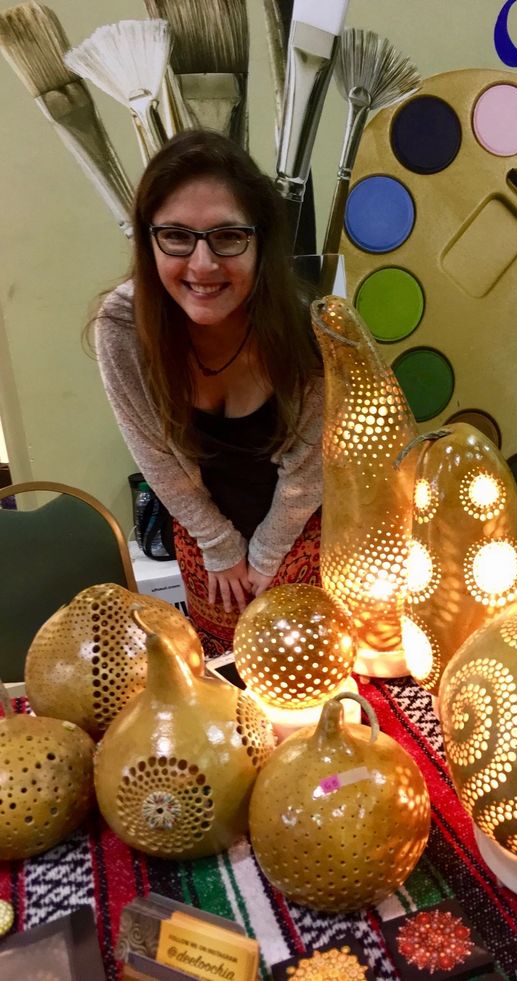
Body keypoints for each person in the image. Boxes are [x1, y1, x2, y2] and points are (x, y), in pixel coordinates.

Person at [94, 130, 323, 656]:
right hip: (203, 529)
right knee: (225, 670)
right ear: (148, 239)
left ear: (260, 241)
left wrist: (267, 556)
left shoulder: (307, 328)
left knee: (307, 666)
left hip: (303, 521)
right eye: (176, 235)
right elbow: (156, 455)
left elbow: (309, 468)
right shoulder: (123, 325)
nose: (202, 265)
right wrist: (220, 548)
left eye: (227, 236)